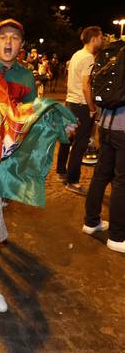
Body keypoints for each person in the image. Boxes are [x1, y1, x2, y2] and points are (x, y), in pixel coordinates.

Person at [0, 18, 37, 312]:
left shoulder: (26, 78)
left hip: (5, 168)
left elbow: (33, 118)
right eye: (3, 37)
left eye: (14, 38)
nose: (8, 42)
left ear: (21, 46)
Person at [56, 26, 104, 195]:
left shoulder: (77, 54)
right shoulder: (88, 58)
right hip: (82, 105)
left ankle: (61, 172)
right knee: (80, 144)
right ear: (94, 39)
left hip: (70, 102)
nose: (102, 40)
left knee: (67, 138)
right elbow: (86, 86)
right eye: (101, 37)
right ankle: (73, 181)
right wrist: (92, 108)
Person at [83, 100, 125, 253]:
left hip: (106, 127)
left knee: (100, 175)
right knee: (121, 182)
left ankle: (91, 222)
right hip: (123, 130)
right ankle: (117, 237)